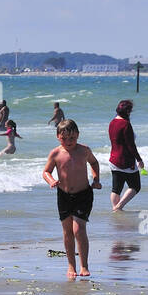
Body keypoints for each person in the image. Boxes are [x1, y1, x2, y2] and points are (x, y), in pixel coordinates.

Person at [42, 119, 102, 280]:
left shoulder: (84, 150)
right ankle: (71, 265)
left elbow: (94, 163)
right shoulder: (55, 153)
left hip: (84, 194)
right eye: (64, 138)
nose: (69, 142)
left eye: (72, 138)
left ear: (78, 135)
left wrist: (96, 179)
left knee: (78, 229)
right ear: (57, 137)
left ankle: (84, 266)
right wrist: (51, 181)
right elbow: (46, 171)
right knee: (67, 230)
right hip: (63, 195)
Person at [107, 99, 144, 211]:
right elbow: (130, 145)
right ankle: (119, 206)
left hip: (113, 160)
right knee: (135, 186)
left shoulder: (112, 122)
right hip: (126, 161)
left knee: (116, 189)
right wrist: (139, 159)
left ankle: (115, 209)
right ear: (127, 111)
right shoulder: (125, 124)